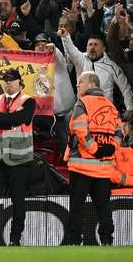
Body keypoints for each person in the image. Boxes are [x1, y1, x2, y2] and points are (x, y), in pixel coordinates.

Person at [61, 71, 121, 246]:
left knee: (77, 206)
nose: (78, 85)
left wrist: (94, 149)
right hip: (103, 168)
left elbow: (80, 129)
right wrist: (110, 148)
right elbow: (119, 131)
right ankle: (107, 240)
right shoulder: (111, 106)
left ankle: (74, 240)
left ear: (92, 85)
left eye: (80, 82)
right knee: (103, 207)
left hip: (82, 166)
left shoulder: (83, 103)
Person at [0, 67, 35, 246]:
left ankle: (15, 238)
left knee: (18, 201)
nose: (8, 82)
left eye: (11, 79)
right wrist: (7, 119)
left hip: (19, 160)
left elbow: (21, 118)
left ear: (20, 82)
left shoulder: (28, 101)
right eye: (5, 79)